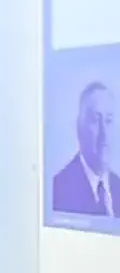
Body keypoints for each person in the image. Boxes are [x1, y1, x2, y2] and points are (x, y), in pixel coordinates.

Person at [51, 80, 119, 216]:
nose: (104, 133)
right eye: (96, 120)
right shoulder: (58, 189)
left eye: (109, 121)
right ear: (79, 128)